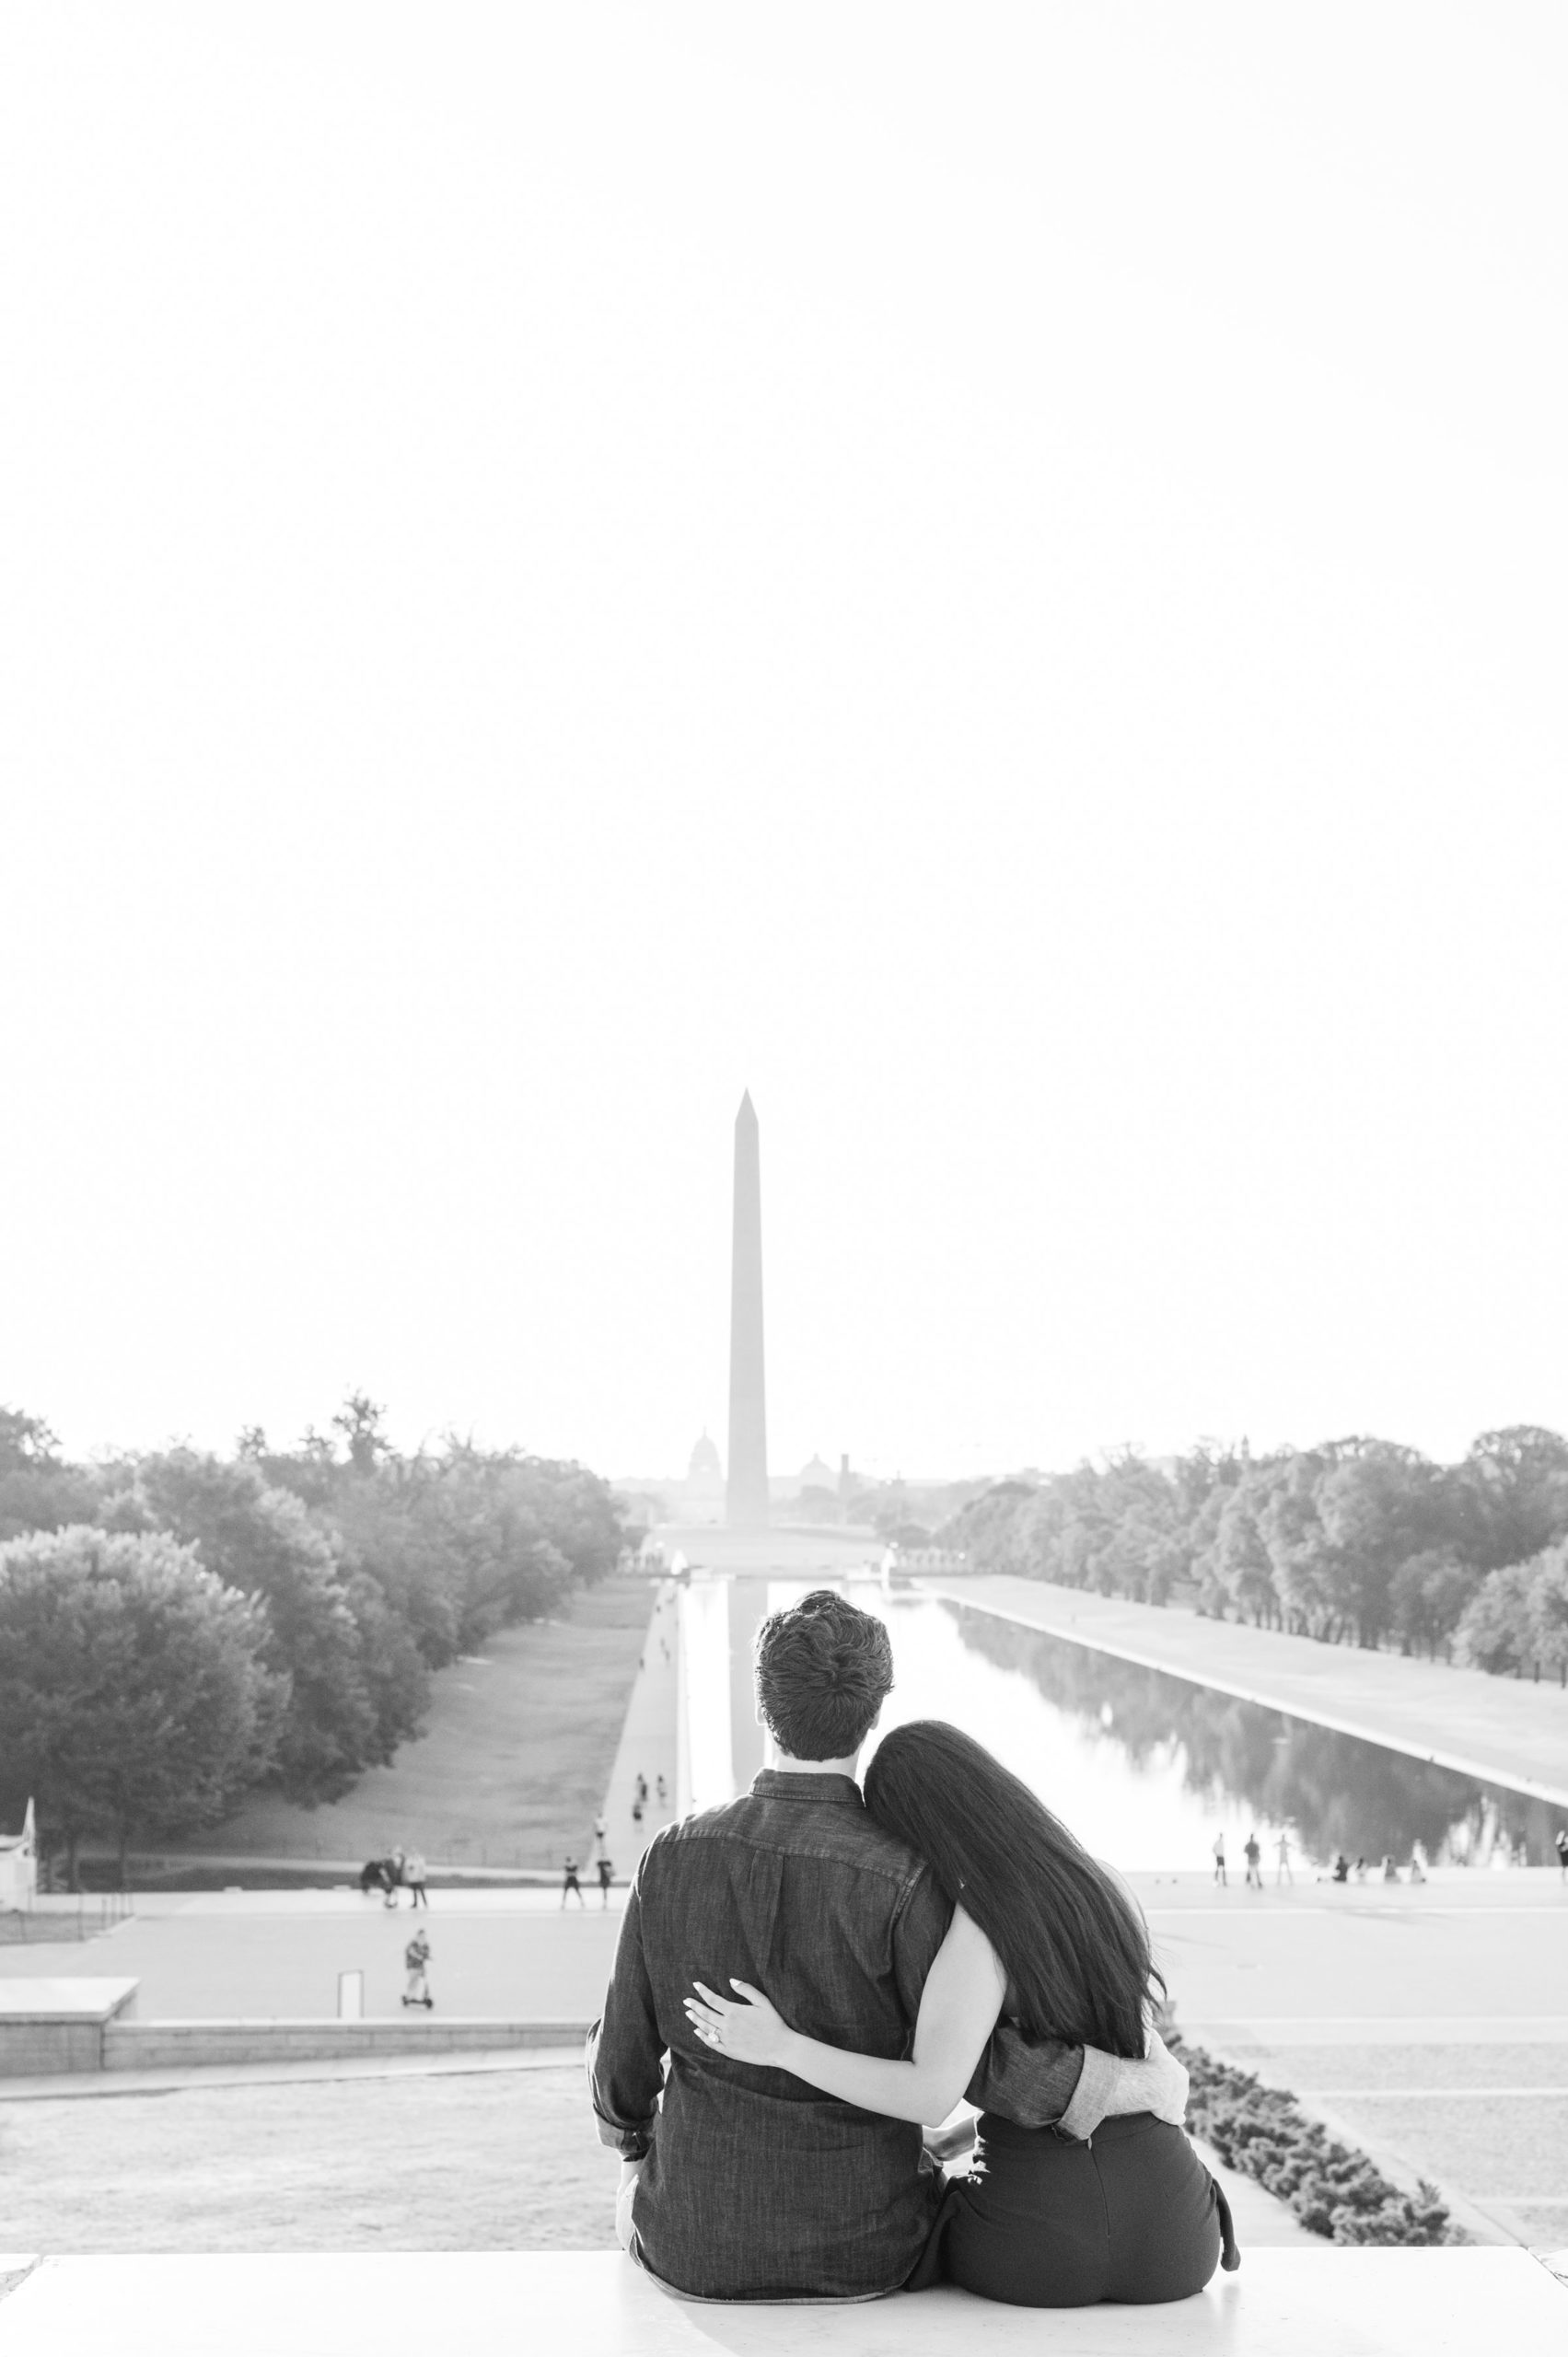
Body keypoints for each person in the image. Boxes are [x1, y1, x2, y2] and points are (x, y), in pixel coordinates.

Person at [588, 1588, 1189, 2304]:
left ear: (761, 1707)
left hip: (691, 2245)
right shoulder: (913, 1877)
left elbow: (622, 2055)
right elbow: (983, 2070)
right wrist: (1130, 2083)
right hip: (870, 2252)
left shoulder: (670, 1856)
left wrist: (630, 2152)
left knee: (617, 2089)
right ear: (874, 1714)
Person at [687, 1718, 1233, 2308]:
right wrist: (958, 2138)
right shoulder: (1104, 1883)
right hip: (1178, 2235)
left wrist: (781, 2046)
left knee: (911, 2215)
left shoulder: (979, 1924)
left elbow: (928, 2091)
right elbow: (1095, 2056)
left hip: (1036, 2245)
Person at [402, 1928, 433, 2009]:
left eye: (423, 1935)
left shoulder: (425, 1944)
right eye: (420, 1935)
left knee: (424, 1981)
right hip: (412, 1966)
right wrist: (419, 1956)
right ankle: (410, 1996)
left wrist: (427, 1956)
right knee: (413, 1980)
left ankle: (423, 1995)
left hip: (420, 1966)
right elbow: (410, 1951)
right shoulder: (413, 1944)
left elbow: (426, 1953)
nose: (422, 1937)